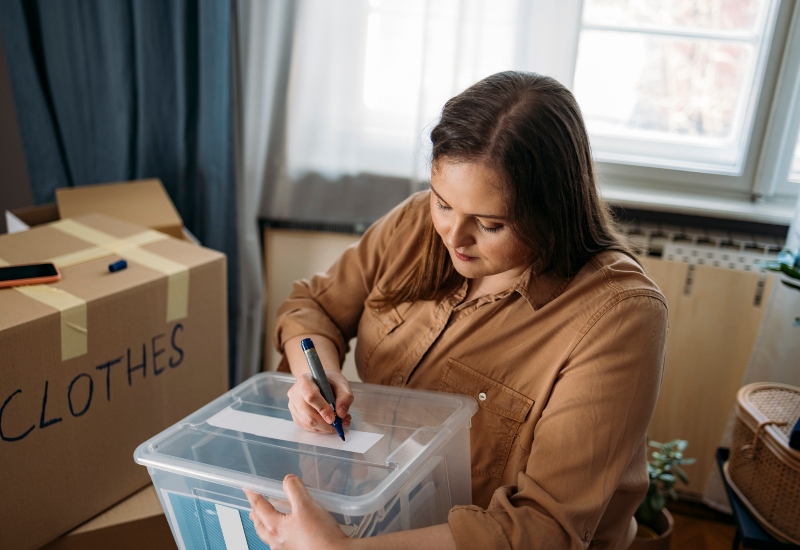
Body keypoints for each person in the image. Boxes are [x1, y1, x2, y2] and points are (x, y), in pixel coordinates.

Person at [244, 71, 668, 550]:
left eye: (489, 225)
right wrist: (311, 376)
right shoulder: (414, 222)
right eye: (443, 203)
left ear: (553, 211)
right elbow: (313, 306)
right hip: (381, 519)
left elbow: (544, 529)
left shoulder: (619, 316)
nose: (453, 237)